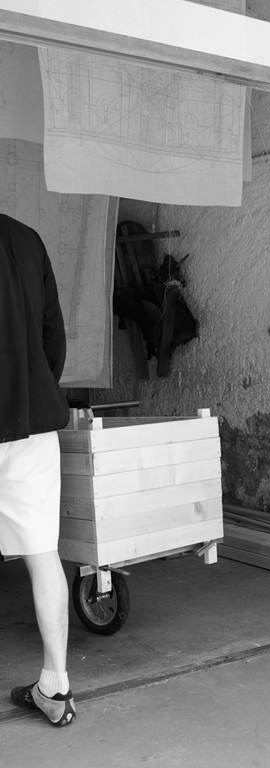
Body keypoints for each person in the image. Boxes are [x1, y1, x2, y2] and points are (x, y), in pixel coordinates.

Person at [0, 213, 76, 726]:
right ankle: (56, 687)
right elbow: (54, 337)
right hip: (31, 423)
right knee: (42, 553)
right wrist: (34, 390)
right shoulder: (26, 239)